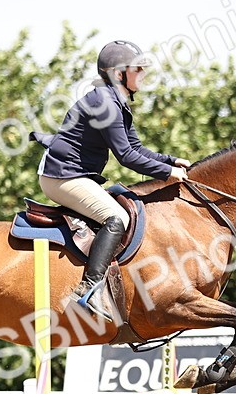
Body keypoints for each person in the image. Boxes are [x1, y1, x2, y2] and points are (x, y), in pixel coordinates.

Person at [31, 40, 190, 318]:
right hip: (61, 177)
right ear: (119, 74)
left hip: (74, 174)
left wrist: (169, 161)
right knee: (117, 218)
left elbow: (137, 148)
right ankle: (89, 290)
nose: (143, 74)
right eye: (137, 69)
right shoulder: (106, 102)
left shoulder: (115, 100)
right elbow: (127, 156)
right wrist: (167, 174)